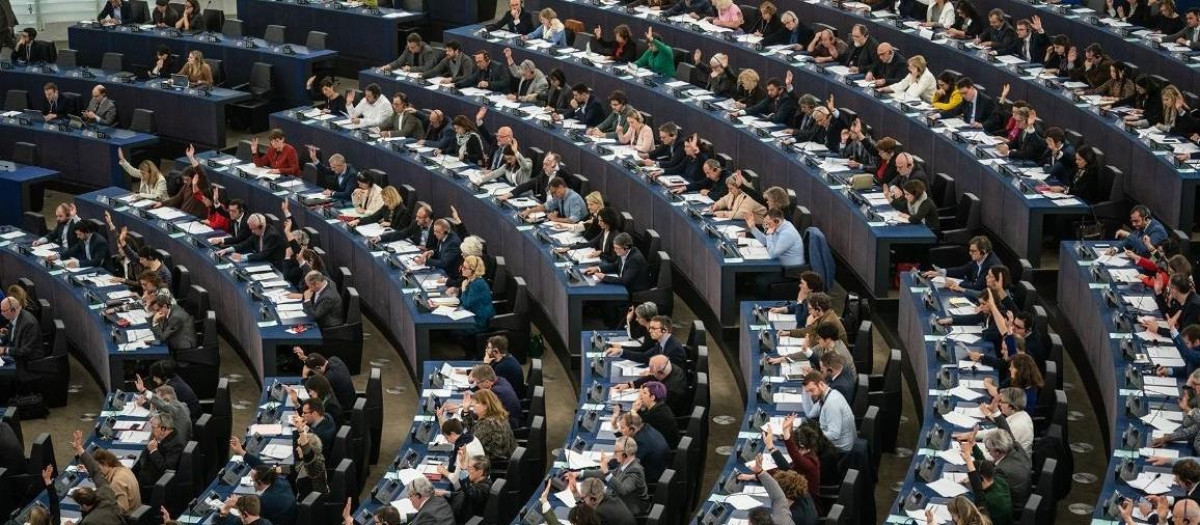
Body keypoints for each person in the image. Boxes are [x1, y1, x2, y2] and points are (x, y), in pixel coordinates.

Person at [70, 430, 141, 514]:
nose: (98, 470)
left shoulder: (117, 481)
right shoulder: (123, 469)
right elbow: (96, 472)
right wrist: (79, 449)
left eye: (98, 466)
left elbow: (122, 509)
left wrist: (99, 500)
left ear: (104, 464)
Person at [584, 437, 651, 514]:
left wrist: (606, 471)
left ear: (625, 454)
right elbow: (609, 473)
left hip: (633, 509)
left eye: (616, 452)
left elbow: (623, 490)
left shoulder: (635, 471)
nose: (614, 455)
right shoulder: (626, 464)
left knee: (592, 508)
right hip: (622, 500)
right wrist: (581, 473)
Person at [800, 372, 856, 452]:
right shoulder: (826, 395)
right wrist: (804, 392)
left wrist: (811, 435)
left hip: (839, 448)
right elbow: (810, 414)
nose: (811, 395)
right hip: (831, 440)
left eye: (812, 390)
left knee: (801, 451)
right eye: (807, 391)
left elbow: (834, 435)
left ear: (821, 385)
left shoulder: (832, 403)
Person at [606, 314, 684, 364]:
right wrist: (620, 352)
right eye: (650, 328)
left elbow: (672, 375)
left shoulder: (674, 349)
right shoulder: (662, 343)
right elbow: (644, 356)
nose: (650, 331)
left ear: (665, 330)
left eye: (653, 328)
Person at [137, 412, 185, 486]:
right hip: (148, 471)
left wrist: (153, 451)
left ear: (163, 429)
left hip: (155, 482)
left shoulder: (176, 445)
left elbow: (167, 469)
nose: (151, 430)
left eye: (153, 427)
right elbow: (143, 457)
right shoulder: (163, 436)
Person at [444, 453, 491, 522]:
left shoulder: (484, 489)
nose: (467, 472)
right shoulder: (480, 482)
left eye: (469, 469)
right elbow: (464, 492)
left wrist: (463, 469)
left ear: (480, 472)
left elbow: (468, 491)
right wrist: (448, 493)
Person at [634, 381, 679, 447]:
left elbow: (633, 427)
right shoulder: (660, 406)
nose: (641, 396)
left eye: (644, 393)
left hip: (663, 450)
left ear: (652, 397)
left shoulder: (656, 415)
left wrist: (633, 411)